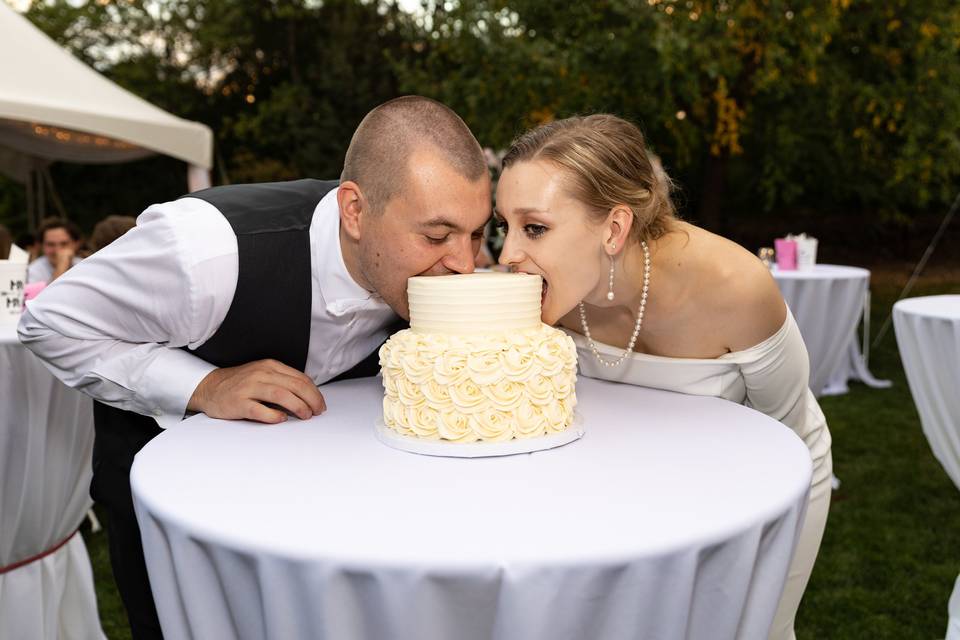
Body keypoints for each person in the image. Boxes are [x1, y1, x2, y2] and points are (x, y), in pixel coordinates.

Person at [19, 95, 491, 639]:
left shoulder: (427, 267)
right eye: (437, 236)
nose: (464, 264)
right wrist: (203, 385)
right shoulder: (205, 252)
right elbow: (50, 322)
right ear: (355, 211)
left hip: (338, 520)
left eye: (476, 233)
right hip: (185, 526)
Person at [494, 114, 831, 640]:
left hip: (764, 486)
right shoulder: (546, 291)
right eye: (504, 226)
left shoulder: (735, 288)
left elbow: (785, 427)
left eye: (534, 228)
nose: (507, 255)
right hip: (629, 492)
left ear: (614, 228)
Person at [26, 217, 82, 283]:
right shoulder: (32, 271)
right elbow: (50, 293)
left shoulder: (85, 266)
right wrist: (62, 266)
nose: (57, 250)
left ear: (76, 244)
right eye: (51, 244)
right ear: (41, 246)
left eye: (64, 244)